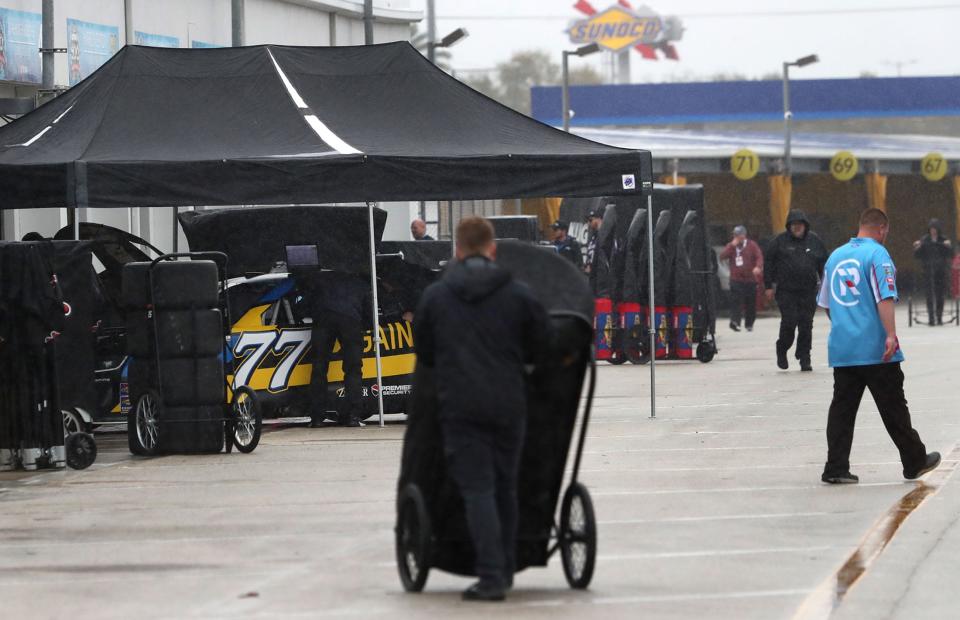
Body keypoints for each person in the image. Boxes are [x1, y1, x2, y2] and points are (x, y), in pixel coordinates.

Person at [414, 216, 548, 601]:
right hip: (509, 403)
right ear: (493, 249)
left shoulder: (437, 296)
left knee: (477, 489)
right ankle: (503, 568)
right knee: (505, 486)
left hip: (460, 404)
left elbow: (424, 351)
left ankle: (491, 577)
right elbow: (541, 344)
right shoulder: (519, 294)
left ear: (456, 251)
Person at [817, 208, 940, 484]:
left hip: (843, 349)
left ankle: (835, 468)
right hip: (874, 348)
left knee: (842, 409)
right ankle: (915, 461)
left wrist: (845, 326)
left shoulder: (835, 257)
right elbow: (885, 296)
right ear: (882, 229)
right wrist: (890, 334)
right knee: (893, 406)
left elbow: (826, 304)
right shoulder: (877, 255)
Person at [764, 210, 828, 371]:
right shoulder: (779, 242)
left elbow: (823, 264)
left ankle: (804, 356)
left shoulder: (814, 241)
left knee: (806, 324)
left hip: (808, 290)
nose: (797, 228)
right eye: (794, 225)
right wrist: (768, 286)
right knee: (789, 322)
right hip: (786, 291)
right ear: (789, 226)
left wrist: (826, 285)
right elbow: (769, 263)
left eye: (800, 225)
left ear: (805, 226)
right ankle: (782, 348)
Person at [304, 270, 369, 428]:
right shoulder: (360, 281)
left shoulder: (321, 277)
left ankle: (317, 418)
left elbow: (307, 303)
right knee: (353, 368)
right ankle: (353, 416)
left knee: (319, 367)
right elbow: (368, 311)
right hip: (351, 320)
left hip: (324, 319)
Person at [719, 225, 763, 332]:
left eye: (738, 235)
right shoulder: (732, 246)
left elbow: (759, 257)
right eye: (735, 235)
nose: (736, 237)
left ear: (744, 235)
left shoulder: (752, 245)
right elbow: (722, 256)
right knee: (735, 302)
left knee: (750, 303)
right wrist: (731, 246)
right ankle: (735, 322)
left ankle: (749, 323)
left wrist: (758, 267)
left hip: (750, 279)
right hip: (736, 279)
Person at [912, 219, 952, 325]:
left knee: (940, 294)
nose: (933, 231)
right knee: (929, 295)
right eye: (931, 229)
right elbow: (917, 255)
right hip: (928, 270)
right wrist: (917, 247)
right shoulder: (925, 240)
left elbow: (950, 254)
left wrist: (948, 246)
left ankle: (939, 317)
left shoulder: (943, 239)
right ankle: (931, 318)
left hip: (940, 270)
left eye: (935, 229)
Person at [582, 209, 603, 275]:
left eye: (590, 220)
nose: (588, 223)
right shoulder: (594, 236)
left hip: (599, 273)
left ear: (599, 219)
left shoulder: (604, 236)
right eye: (588, 221)